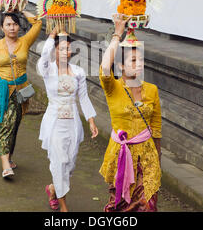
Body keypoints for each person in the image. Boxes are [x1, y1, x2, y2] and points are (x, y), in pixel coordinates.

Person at [99, 14, 162, 212]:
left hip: (147, 160)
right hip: (121, 158)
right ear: (120, 65)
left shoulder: (152, 90)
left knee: (147, 206)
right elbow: (103, 69)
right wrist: (117, 35)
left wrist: (158, 162)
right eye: (133, 60)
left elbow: (157, 129)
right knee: (121, 208)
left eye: (141, 59)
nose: (139, 64)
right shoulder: (113, 88)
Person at [0, 8, 42, 177]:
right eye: (8, 24)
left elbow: (38, 22)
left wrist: (21, 9)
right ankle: (5, 165)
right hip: (1, 90)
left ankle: (8, 156)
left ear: (19, 27)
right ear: (2, 27)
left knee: (15, 123)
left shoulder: (25, 42)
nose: (12, 28)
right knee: (6, 123)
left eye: (15, 24)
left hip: (21, 90)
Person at [37, 29, 98, 212]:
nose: (66, 52)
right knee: (58, 162)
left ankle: (53, 189)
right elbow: (44, 57)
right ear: (55, 51)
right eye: (62, 49)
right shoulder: (48, 69)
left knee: (69, 164)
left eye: (68, 49)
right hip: (54, 122)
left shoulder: (78, 72)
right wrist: (51, 36)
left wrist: (91, 120)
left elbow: (84, 97)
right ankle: (64, 207)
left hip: (72, 123)